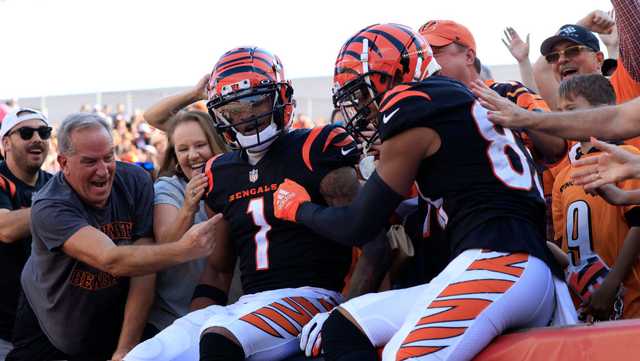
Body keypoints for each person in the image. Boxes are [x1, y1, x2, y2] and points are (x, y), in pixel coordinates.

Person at [272, 23, 568, 361]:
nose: (364, 107)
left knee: (402, 355)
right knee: (341, 325)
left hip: (501, 263)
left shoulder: (416, 101)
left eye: (365, 93)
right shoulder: (456, 98)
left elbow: (358, 225)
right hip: (501, 263)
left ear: (395, 76)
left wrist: (298, 208)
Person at [125, 46, 369, 361]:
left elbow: (368, 241)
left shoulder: (314, 148)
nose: (245, 117)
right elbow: (218, 270)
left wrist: (347, 314)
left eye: (255, 103)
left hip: (315, 296)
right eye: (232, 109)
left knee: (221, 340)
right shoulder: (221, 172)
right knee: (144, 355)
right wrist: (192, 323)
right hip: (247, 304)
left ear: (280, 96)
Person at [6, 113, 221, 361]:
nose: (103, 171)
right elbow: (111, 260)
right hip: (46, 325)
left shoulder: (134, 181)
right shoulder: (50, 205)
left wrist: (125, 348)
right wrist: (184, 249)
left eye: (109, 157)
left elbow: (144, 270)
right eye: (90, 162)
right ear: (64, 163)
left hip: (107, 322)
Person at [552, 74, 640, 321]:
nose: (563, 119)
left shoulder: (627, 157)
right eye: (560, 112)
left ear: (602, 112)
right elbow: (565, 249)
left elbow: (638, 223)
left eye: (571, 110)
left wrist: (611, 283)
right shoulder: (564, 175)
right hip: (582, 301)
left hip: (627, 299)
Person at [146, 110, 227, 336]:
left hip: (228, 317)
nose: (192, 155)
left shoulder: (238, 179)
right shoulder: (168, 187)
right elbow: (166, 244)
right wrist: (188, 208)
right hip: (172, 320)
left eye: (200, 145)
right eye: (183, 149)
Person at [0, 108, 53, 360]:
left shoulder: (55, 184)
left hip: (43, 327)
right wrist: (60, 209)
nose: (37, 139)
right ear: (6, 143)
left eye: (44, 132)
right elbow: (5, 229)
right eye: (26, 132)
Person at [533, 4, 640, 111]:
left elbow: (634, 31)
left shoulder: (621, 85)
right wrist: (582, 25)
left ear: (598, 59)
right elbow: (541, 70)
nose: (561, 60)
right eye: (554, 56)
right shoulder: (563, 105)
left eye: (572, 50)